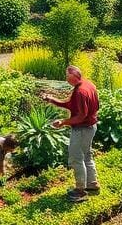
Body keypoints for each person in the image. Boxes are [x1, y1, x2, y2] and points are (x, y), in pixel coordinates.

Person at [40, 65, 100, 203]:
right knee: (86, 155)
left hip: (82, 129)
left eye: (67, 76)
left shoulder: (80, 92)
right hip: (91, 126)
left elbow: (81, 116)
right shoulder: (88, 84)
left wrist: (63, 121)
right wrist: (52, 100)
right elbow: (73, 104)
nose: (66, 79)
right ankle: (92, 184)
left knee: (76, 158)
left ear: (73, 77)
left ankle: (80, 191)